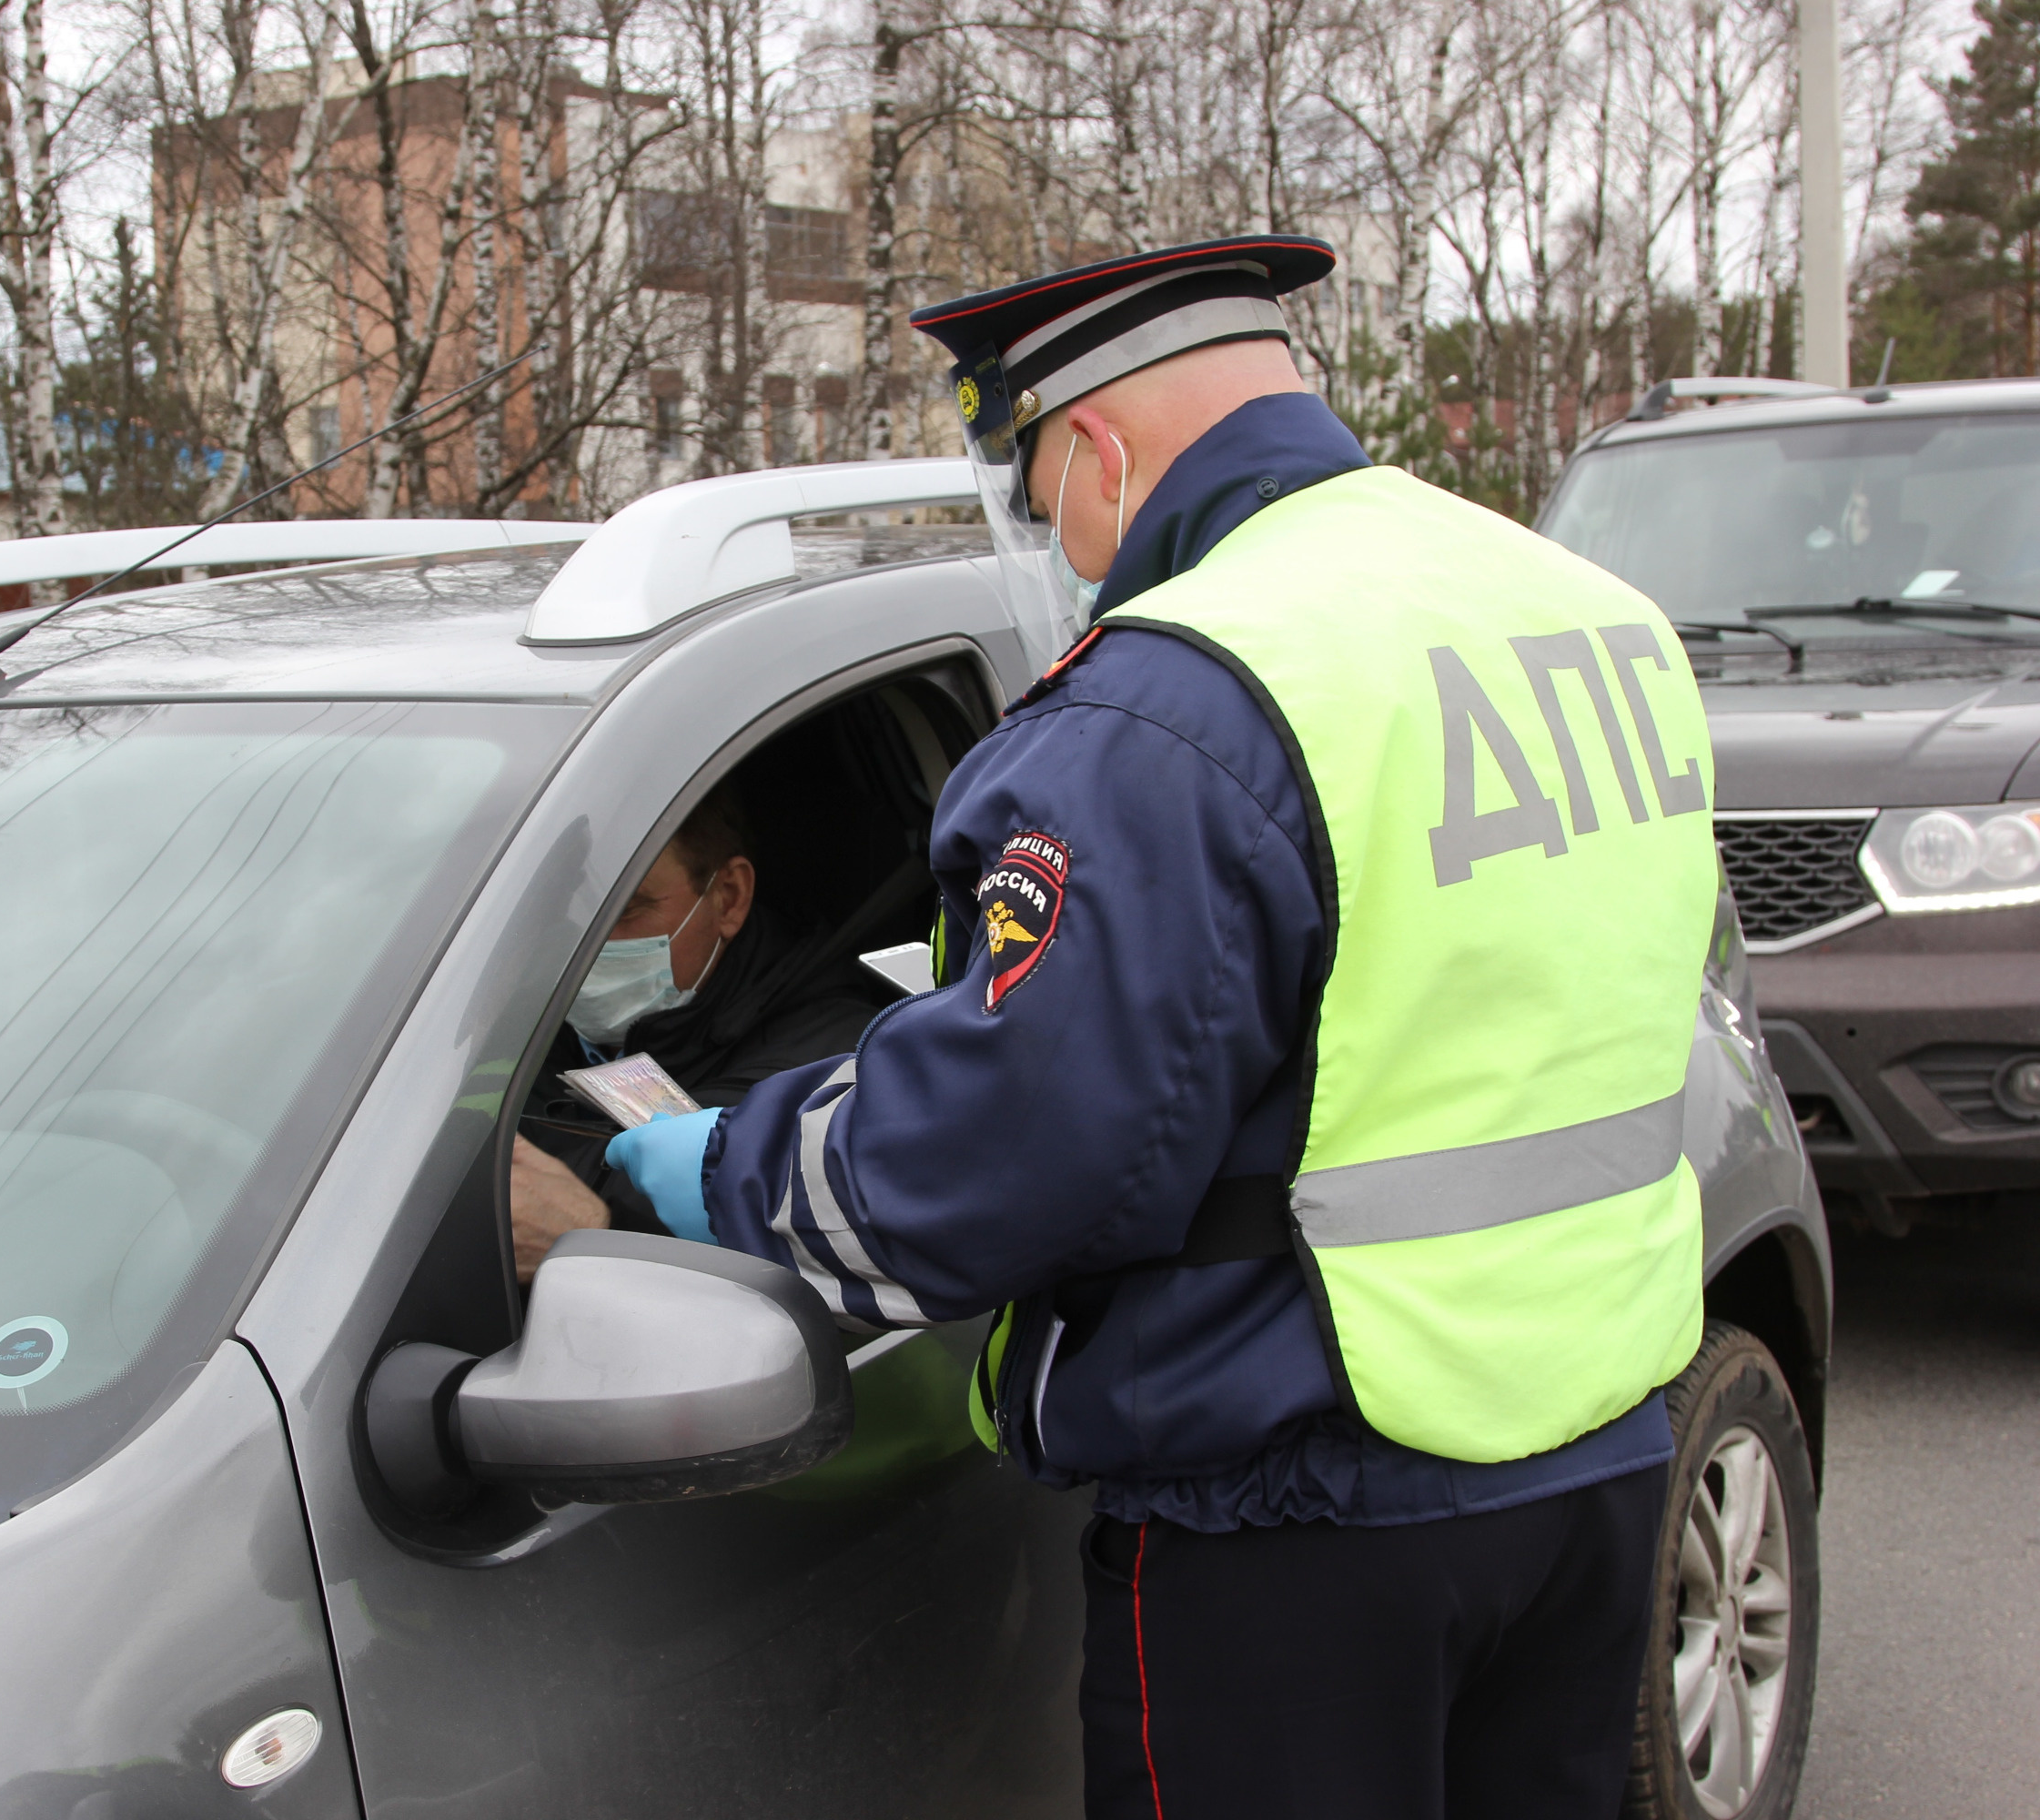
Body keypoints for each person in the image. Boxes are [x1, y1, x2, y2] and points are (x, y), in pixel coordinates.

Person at [604, 236, 1721, 1820]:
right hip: (1592, 1458)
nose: (1053, 536)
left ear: (1100, 448)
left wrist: (724, 1167)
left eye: (1033, 482)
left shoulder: (1171, 703)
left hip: (1308, 1521)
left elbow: (991, 1162)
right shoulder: (1588, 615)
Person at [509, 780, 884, 1279]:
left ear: (728, 898)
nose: (582, 946)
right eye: (560, 914)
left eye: (623, 913)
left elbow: (757, 1263)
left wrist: (590, 1238)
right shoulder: (499, 1014)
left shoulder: (829, 1065)